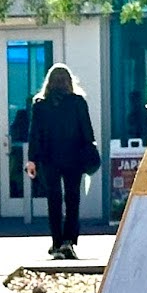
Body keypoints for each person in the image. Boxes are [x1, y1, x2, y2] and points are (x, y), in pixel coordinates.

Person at [26, 63, 97, 260]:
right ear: (69, 81)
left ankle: (56, 242)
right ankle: (69, 241)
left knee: (54, 200)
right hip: (74, 157)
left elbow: (35, 135)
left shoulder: (40, 104)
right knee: (73, 199)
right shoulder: (78, 102)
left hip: (49, 159)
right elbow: (87, 132)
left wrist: (32, 160)